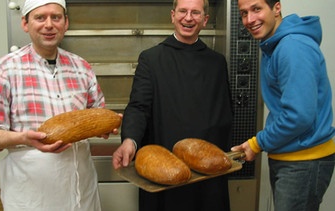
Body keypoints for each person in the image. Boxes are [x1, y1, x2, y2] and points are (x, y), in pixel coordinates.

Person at [0, 0, 117, 210]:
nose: (49, 25)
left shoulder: (82, 67)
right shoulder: (2, 71)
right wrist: (23, 138)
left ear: (65, 23)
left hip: (81, 189)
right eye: (40, 18)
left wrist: (104, 127)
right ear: (25, 24)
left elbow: (97, 114)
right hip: (32, 194)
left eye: (56, 17)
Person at [112, 0, 233, 210]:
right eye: (183, 11)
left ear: (205, 20)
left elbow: (224, 115)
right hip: (163, 169)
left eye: (195, 13)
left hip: (206, 174)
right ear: (172, 15)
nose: (188, 18)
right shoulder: (151, 59)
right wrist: (130, 140)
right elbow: (138, 107)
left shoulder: (217, 63)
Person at [232, 0, 335, 210]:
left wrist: (256, 143)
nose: (249, 20)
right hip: (292, 156)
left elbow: (298, 116)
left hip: (304, 160)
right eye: (244, 13)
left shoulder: (291, 47)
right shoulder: (274, 45)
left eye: (256, 9)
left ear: (276, 8)